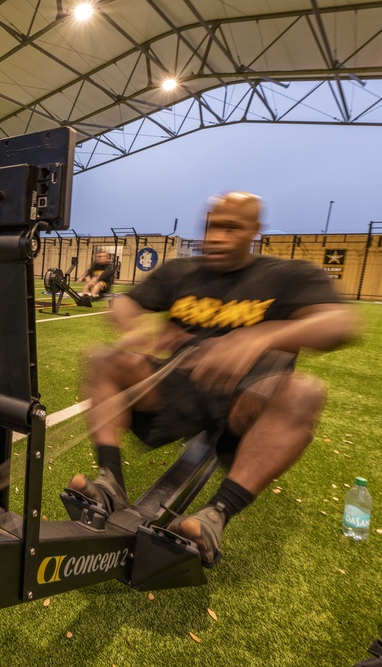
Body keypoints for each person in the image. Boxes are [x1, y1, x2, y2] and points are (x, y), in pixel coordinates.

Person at [71, 191, 359, 567]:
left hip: (246, 402)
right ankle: (110, 481)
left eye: (230, 228)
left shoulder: (286, 275)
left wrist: (263, 336)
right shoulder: (181, 272)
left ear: (255, 230)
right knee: (104, 360)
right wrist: (131, 323)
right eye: (211, 227)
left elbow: (342, 324)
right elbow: (126, 301)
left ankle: (216, 514)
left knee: (304, 391)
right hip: (181, 394)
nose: (216, 238)